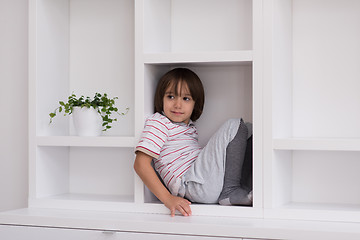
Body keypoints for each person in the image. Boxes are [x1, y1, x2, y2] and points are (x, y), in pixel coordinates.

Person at [134, 68, 252, 217]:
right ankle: (230, 191)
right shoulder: (158, 122)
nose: (177, 104)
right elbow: (140, 164)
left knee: (250, 130)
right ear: (161, 99)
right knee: (235, 125)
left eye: (186, 99)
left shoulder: (188, 128)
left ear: (195, 104)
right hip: (191, 185)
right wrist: (168, 199)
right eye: (171, 97)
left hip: (204, 184)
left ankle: (242, 188)